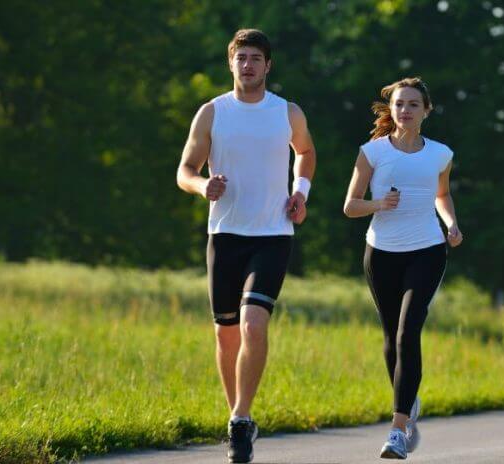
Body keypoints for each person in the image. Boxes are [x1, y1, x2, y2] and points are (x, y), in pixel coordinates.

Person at [176, 28, 316, 464]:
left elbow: (306, 152)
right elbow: (185, 169)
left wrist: (301, 193)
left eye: (256, 58)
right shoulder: (212, 112)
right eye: (242, 58)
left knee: (254, 323)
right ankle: (236, 415)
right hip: (225, 234)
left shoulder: (286, 112)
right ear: (231, 63)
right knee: (226, 333)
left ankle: (240, 418)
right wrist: (203, 186)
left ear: (268, 66)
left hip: (272, 234)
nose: (249, 65)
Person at [343, 77, 463, 459]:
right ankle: (408, 398)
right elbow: (350, 205)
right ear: (391, 110)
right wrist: (379, 205)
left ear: (426, 110)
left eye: (413, 104)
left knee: (408, 332)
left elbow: (442, 195)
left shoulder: (441, 154)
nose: (405, 110)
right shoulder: (372, 152)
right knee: (391, 338)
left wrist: (451, 223)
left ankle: (397, 429)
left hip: (426, 249)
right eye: (399, 104)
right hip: (381, 253)